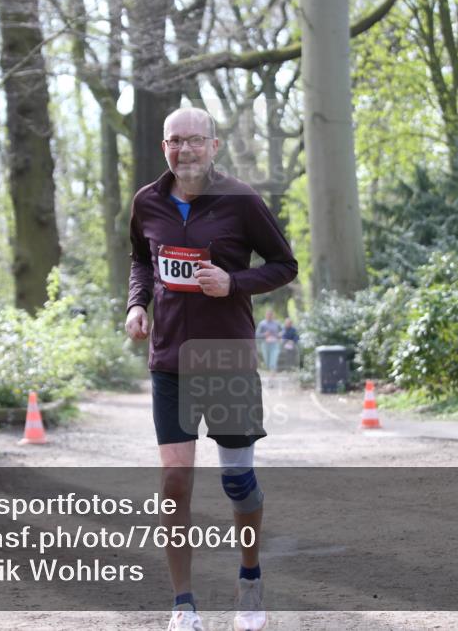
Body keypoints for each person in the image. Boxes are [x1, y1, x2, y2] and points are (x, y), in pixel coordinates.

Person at [125, 107, 297, 631]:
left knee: (237, 481)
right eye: (175, 142)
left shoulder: (241, 201)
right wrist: (137, 304)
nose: (185, 151)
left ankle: (249, 581)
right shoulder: (147, 202)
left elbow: (284, 265)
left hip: (226, 358)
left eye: (195, 141)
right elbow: (140, 259)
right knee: (175, 480)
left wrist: (233, 282)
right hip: (171, 361)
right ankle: (183, 605)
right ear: (165, 148)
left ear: (214, 146)